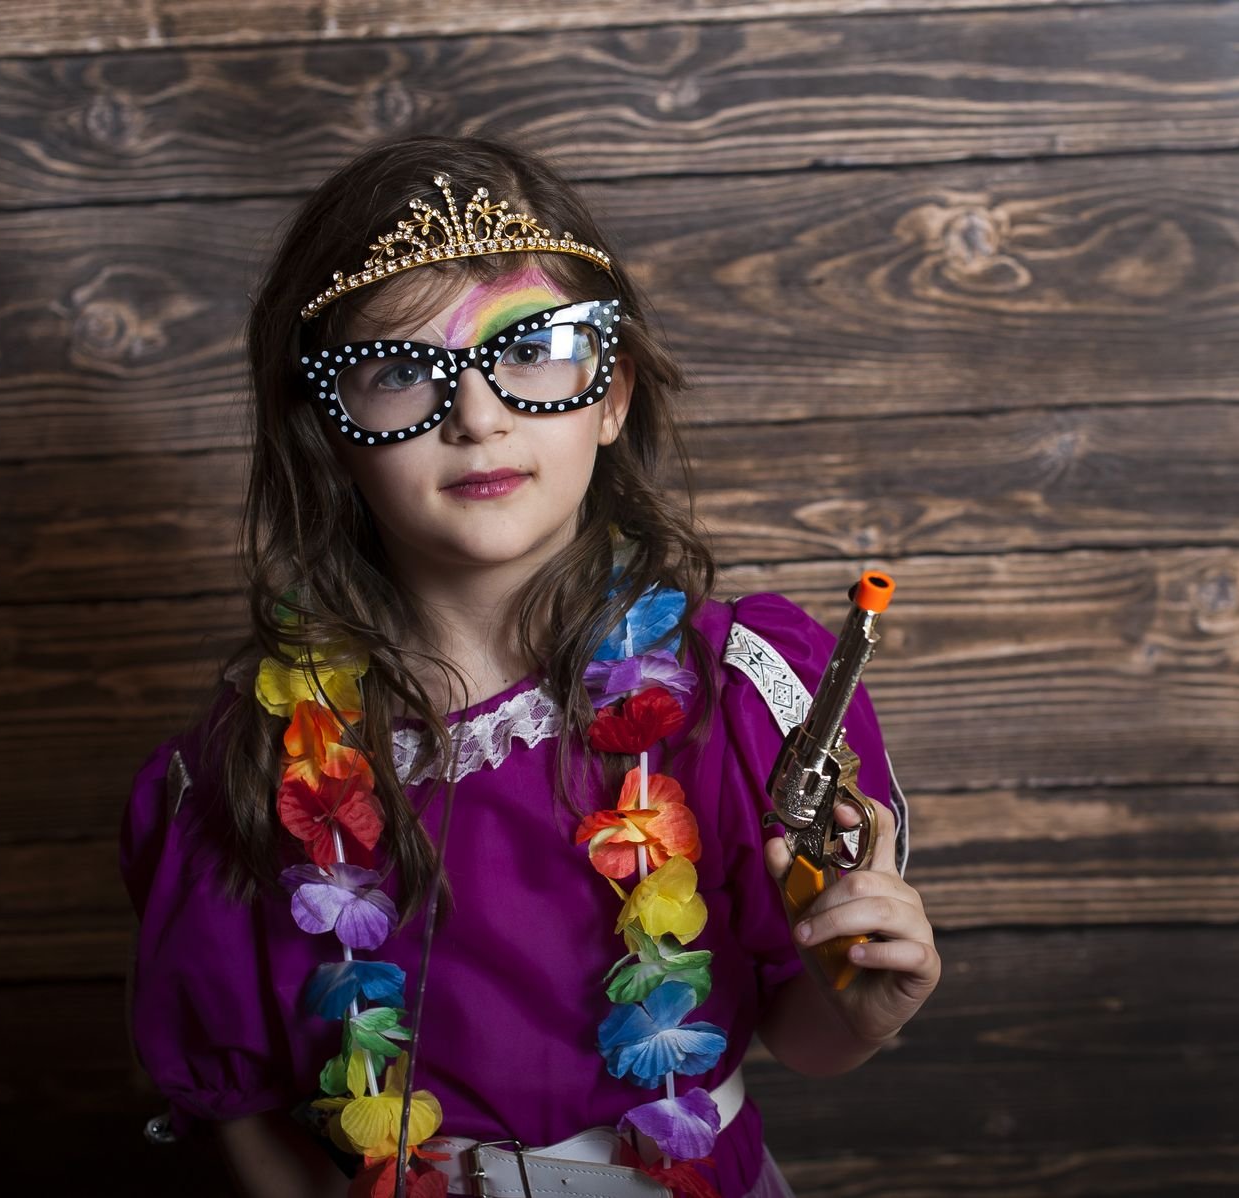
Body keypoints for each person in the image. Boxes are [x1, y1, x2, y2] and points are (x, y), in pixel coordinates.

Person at [119, 134, 939, 1198]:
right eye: (399, 371)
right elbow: (245, 1118)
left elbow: (806, 1035)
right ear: (329, 427)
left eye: (535, 347)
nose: (478, 415)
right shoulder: (251, 763)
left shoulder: (739, 696)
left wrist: (862, 1011)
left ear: (612, 392)